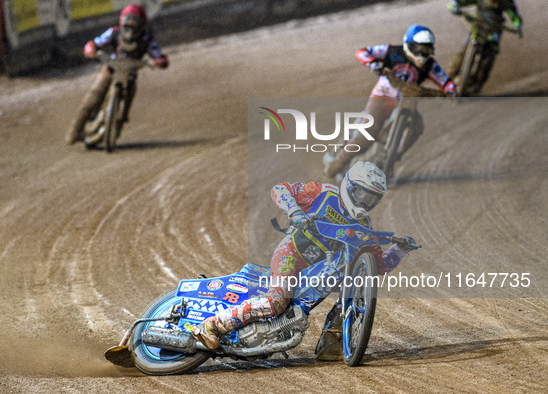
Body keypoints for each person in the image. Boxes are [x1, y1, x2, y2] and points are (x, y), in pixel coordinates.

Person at [192, 161, 416, 360]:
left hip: (318, 272)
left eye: (372, 199)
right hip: (292, 255)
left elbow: (378, 266)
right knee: (276, 302)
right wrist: (294, 211)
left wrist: (399, 250)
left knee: (355, 285)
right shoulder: (323, 193)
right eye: (362, 194)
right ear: (349, 186)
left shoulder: (364, 228)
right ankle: (212, 325)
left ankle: (331, 340)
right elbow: (281, 189)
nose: (365, 202)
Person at [324, 25, 456, 179]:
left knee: (416, 127)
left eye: (426, 50)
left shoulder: (430, 65)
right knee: (368, 131)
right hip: (383, 97)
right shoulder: (391, 51)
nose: (422, 53)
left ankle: (392, 159)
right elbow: (362, 52)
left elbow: (445, 81)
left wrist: (452, 91)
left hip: (407, 102)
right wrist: (372, 62)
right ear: (409, 45)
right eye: (419, 48)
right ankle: (337, 164)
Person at [65, 5, 169, 145]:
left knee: (128, 100)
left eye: (135, 22)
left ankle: (120, 123)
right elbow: (94, 43)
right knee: (92, 97)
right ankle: (75, 131)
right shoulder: (113, 33)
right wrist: (91, 50)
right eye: (128, 21)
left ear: (142, 24)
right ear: (122, 21)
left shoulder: (147, 40)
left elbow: (159, 56)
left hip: (130, 76)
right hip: (110, 69)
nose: (131, 26)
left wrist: (159, 61)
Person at [446, 0, 522, 83]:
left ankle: (479, 82)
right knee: (462, 53)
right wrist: (454, 4)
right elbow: (462, 1)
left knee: (490, 55)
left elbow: (514, 14)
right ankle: (446, 80)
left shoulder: (506, 2)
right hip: (478, 27)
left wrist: (517, 24)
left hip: (494, 30)